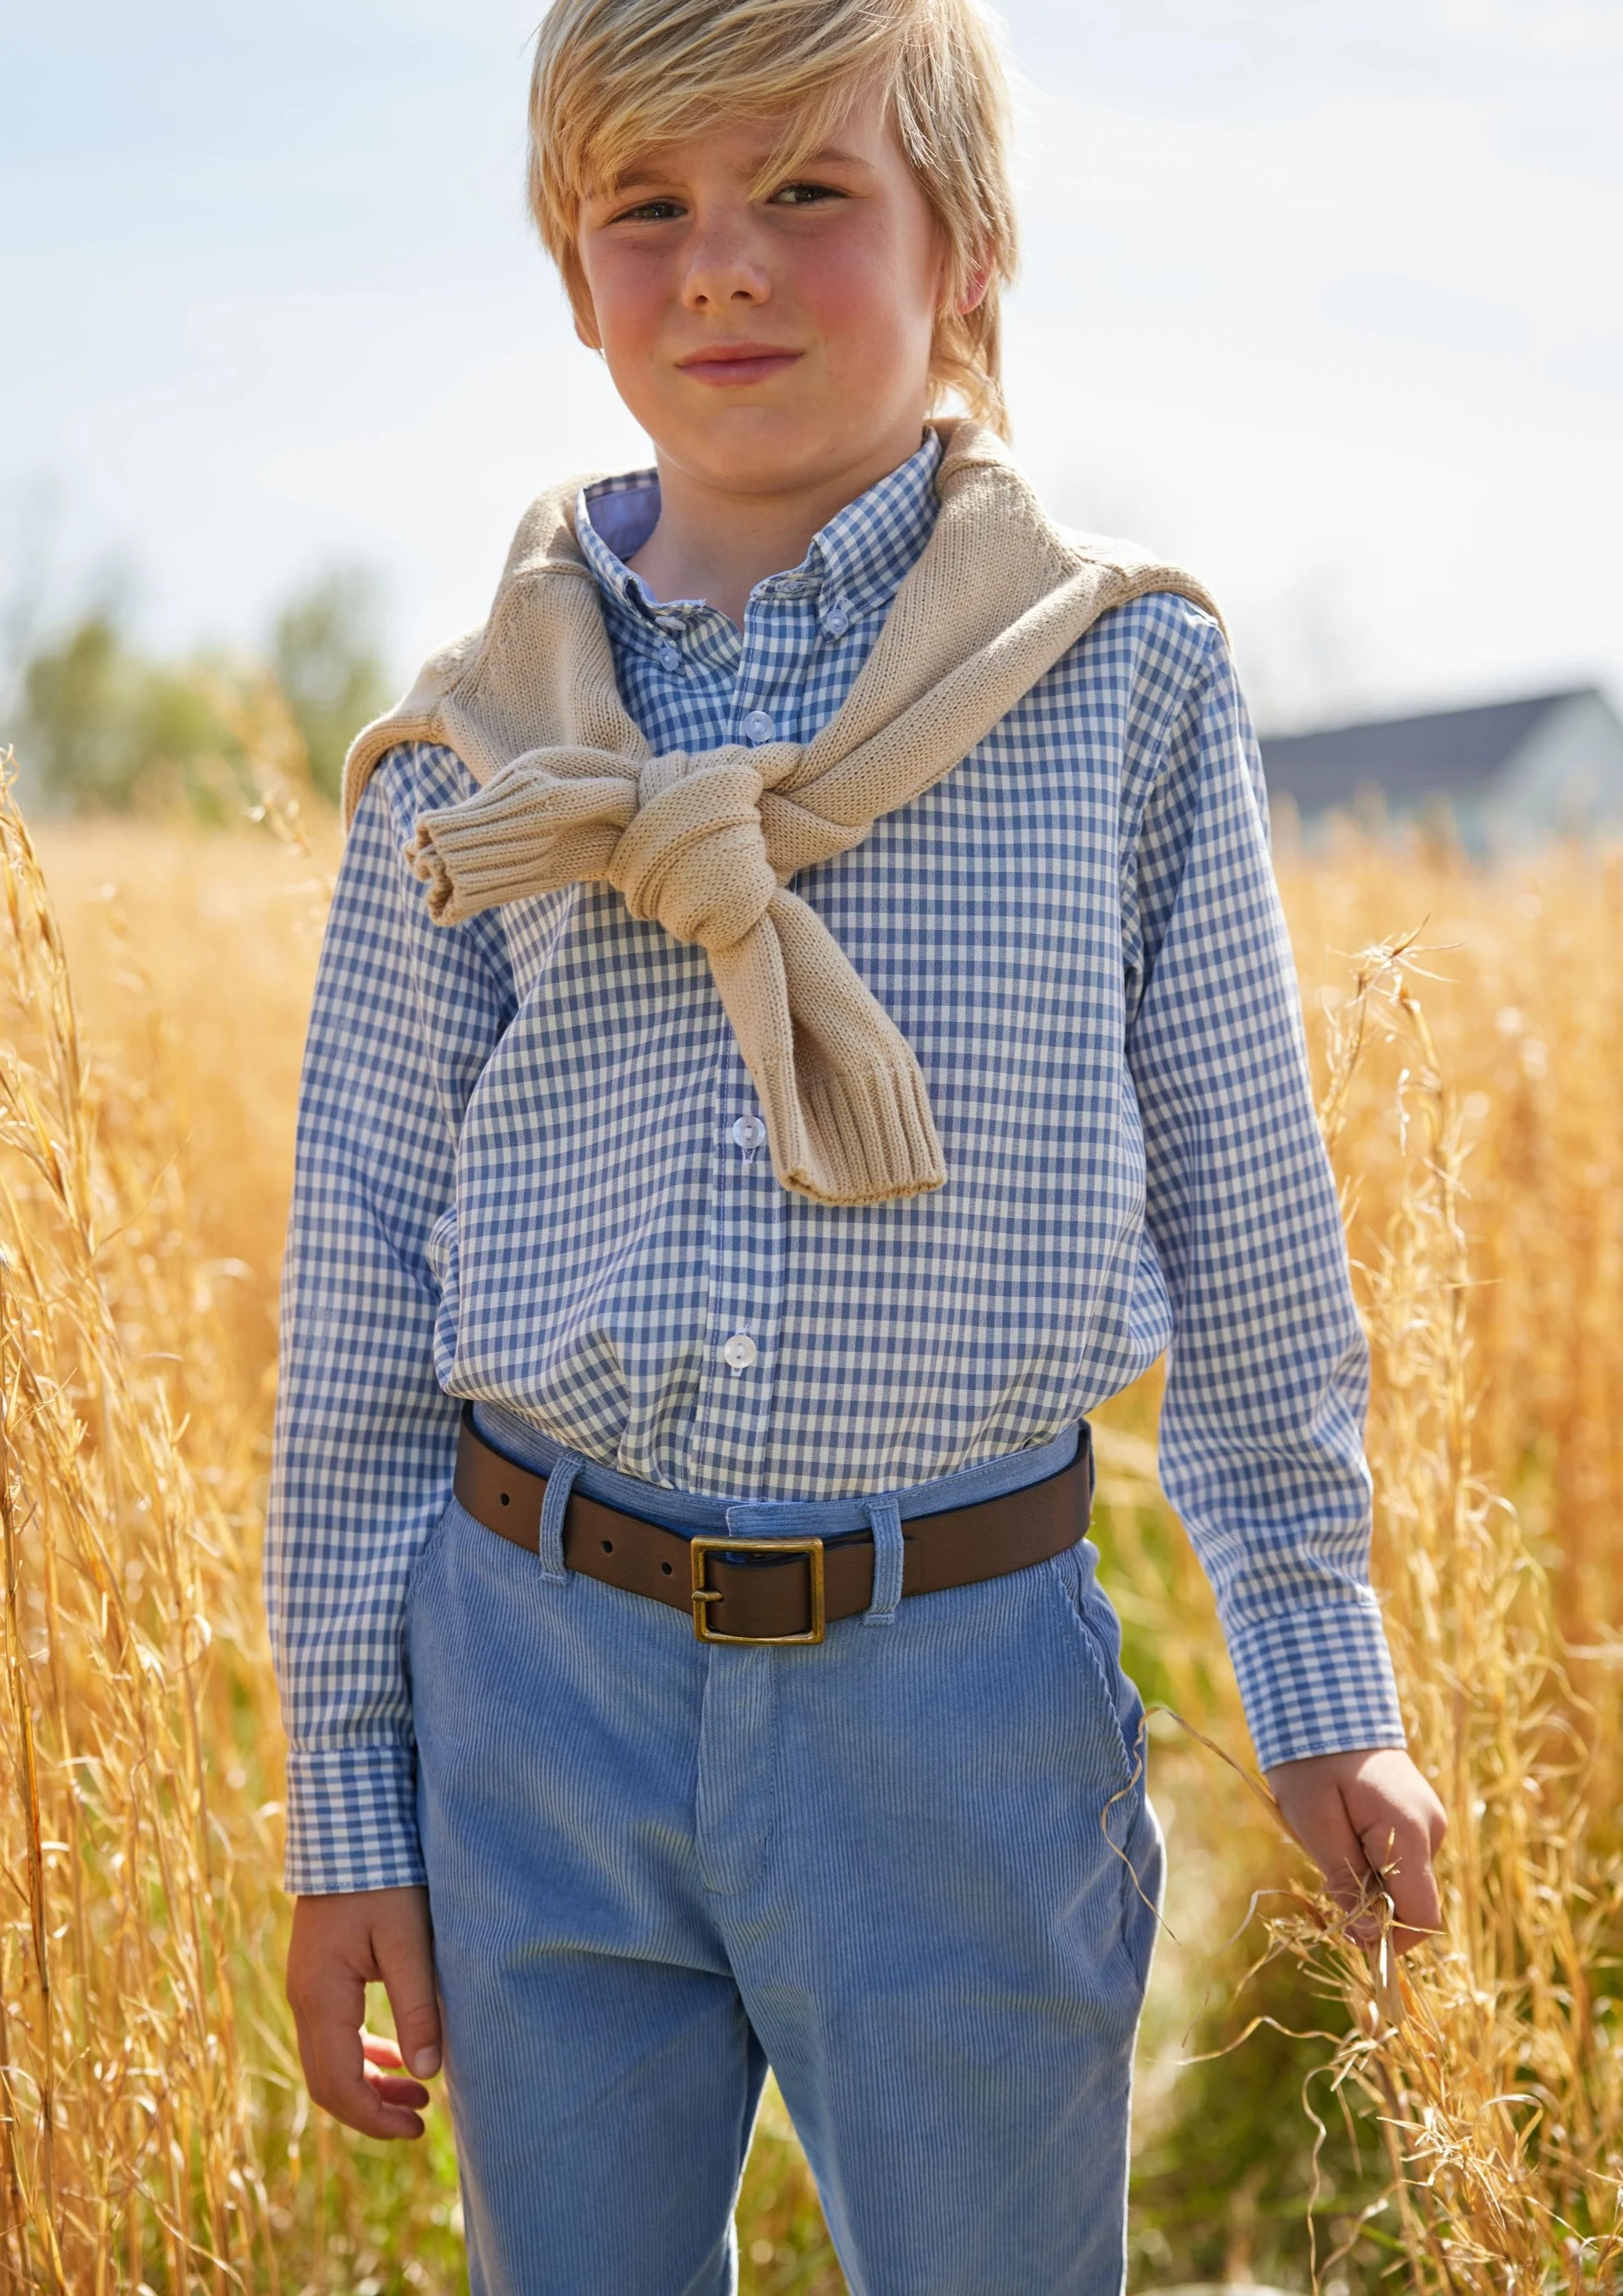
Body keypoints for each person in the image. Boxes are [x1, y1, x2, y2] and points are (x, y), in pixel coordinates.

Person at [267, 1, 1447, 2288]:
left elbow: (1243, 1211)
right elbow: (356, 1321)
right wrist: (346, 1811)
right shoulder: (471, 766)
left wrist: (1314, 1683)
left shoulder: (1119, 685)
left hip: (955, 1681)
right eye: (651, 210)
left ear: (966, 251)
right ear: (571, 269)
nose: (722, 266)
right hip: (533, 1679)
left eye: (804, 192)